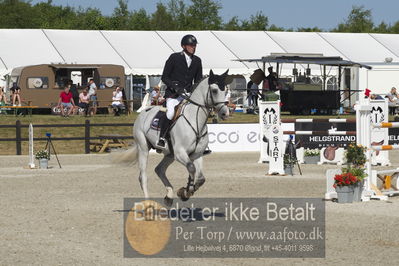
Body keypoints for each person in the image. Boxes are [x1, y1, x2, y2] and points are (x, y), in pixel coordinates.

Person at [156, 34, 203, 149]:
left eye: (194, 45)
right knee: (171, 113)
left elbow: (197, 80)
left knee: (198, 113)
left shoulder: (197, 60)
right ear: (183, 46)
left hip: (188, 95)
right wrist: (175, 87)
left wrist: (194, 91)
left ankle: (200, 141)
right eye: (191, 45)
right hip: (173, 94)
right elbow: (165, 77)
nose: (193, 47)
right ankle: (162, 138)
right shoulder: (174, 57)